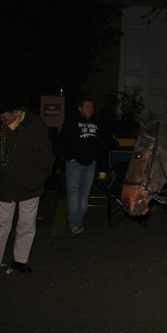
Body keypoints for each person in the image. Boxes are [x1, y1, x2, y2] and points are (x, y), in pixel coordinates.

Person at [0, 95, 55, 278]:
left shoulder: (34, 124)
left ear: (15, 112)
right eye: (0, 117)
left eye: (5, 117)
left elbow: (47, 156)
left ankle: (20, 260)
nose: (2, 120)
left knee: (27, 224)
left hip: (30, 186)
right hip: (3, 186)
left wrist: (37, 180)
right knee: (0, 224)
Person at [59, 98, 105, 235]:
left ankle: (78, 220)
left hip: (90, 164)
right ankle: (74, 222)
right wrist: (69, 157)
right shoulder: (71, 122)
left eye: (91, 106)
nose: (90, 109)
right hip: (74, 164)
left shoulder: (96, 124)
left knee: (84, 195)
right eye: (87, 106)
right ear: (80, 108)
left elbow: (102, 143)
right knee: (74, 193)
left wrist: (96, 159)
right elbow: (62, 140)